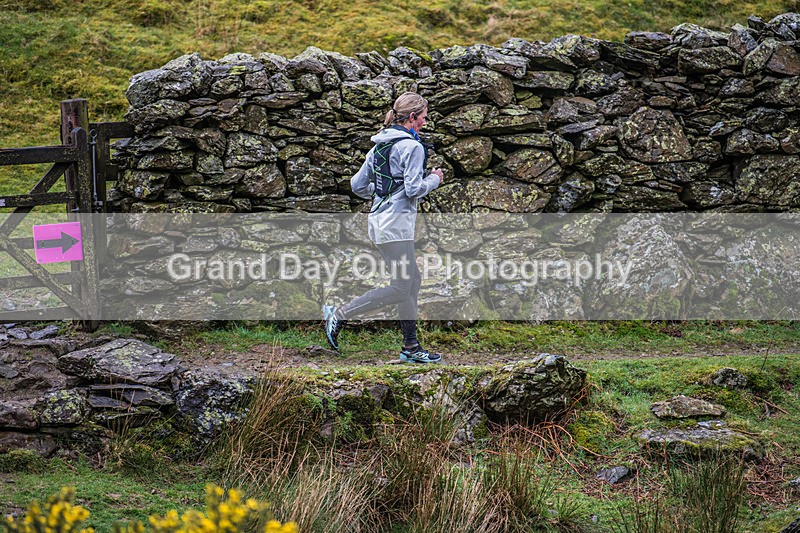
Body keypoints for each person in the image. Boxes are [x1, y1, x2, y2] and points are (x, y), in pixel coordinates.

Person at [323, 92, 444, 363]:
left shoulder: (379, 146)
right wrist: (435, 179)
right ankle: (339, 314)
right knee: (401, 287)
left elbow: (357, 186)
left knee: (412, 282)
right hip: (396, 226)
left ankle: (411, 347)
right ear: (412, 117)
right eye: (423, 118)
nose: (425, 122)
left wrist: (382, 195)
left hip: (381, 223)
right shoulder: (412, 147)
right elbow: (413, 189)